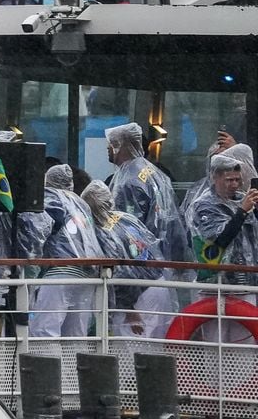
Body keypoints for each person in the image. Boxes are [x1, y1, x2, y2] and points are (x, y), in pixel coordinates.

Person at [81, 180, 176, 337]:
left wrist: (129, 309)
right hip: (158, 282)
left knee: (133, 350)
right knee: (158, 344)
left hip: (138, 296)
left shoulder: (101, 233)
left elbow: (120, 272)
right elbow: (151, 244)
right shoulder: (125, 218)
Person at [32, 164, 105, 337]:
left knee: (45, 330)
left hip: (60, 270)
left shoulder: (52, 198)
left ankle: (47, 364)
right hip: (87, 274)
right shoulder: (81, 204)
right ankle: (74, 364)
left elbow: (38, 230)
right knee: (76, 333)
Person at [105, 122, 189, 263]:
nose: (108, 147)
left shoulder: (129, 179)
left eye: (113, 143)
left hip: (142, 258)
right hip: (162, 253)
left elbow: (127, 223)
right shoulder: (154, 173)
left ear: (125, 146)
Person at [190, 155, 258, 293]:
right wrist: (242, 213)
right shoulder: (204, 205)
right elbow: (219, 239)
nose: (234, 185)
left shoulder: (241, 199)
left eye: (237, 180)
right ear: (215, 178)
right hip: (219, 281)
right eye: (229, 180)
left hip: (249, 278)